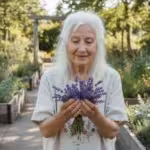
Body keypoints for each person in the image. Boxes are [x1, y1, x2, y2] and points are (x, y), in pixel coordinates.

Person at [31, 11, 128, 150]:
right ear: (66, 44)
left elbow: (112, 132)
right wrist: (64, 114)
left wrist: (95, 115)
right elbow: (46, 131)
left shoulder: (111, 77)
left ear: (97, 45)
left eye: (89, 41)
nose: (82, 49)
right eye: (75, 41)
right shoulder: (50, 78)